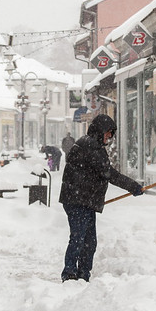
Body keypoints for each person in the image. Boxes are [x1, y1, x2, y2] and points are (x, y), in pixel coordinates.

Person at [58, 114, 143, 282]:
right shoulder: (91, 147)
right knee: (79, 238)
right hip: (78, 201)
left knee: (89, 241)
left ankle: (82, 274)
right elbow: (108, 173)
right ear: (99, 131)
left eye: (111, 134)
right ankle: (69, 274)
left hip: (82, 200)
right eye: (108, 133)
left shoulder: (90, 144)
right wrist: (132, 186)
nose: (110, 137)